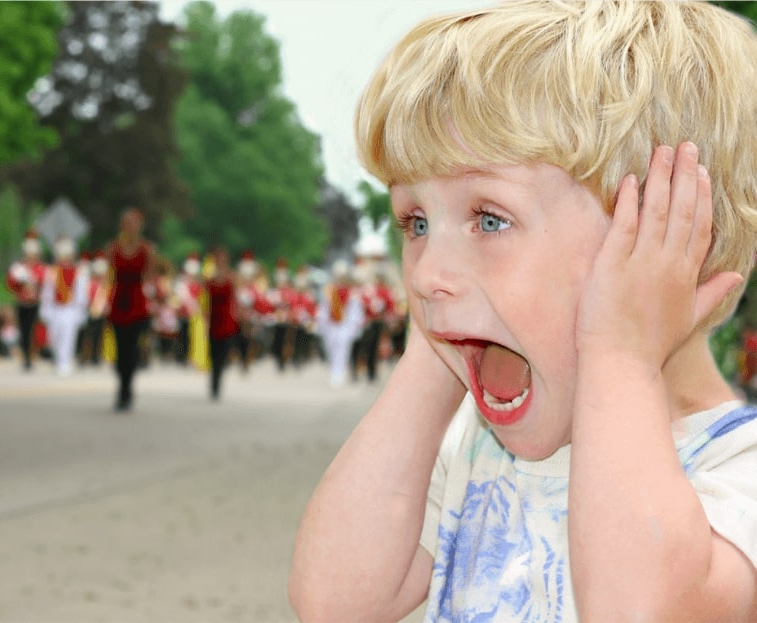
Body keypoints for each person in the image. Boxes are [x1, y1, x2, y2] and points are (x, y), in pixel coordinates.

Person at [289, 3, 757, 622]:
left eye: (489, 219)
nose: (427, 275)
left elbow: (638, 610)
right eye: (416, 223)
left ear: (669, 243)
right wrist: (433, 357)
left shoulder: (738, 470)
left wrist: (620, 356)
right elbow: (335, 602)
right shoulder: (474, 449)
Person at [106, 208, 154, 412]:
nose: (130, 227)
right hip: (119, 300)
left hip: (137, 301)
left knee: (132, 348)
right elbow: (108, 277)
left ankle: (127, 389)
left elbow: (149, 277)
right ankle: (121, 382)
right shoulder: (113, 248)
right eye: (127, 223)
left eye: (133, 223)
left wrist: (153, 302)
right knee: (120, 348)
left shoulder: (146, 249)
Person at [39, 236, 89, 377]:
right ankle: (58, 359)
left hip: (70, 309)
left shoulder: (79, 272)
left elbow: (81, 294)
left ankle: (65, 362)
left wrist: (80, 311)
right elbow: (47, 292)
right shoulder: (53, 271)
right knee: (54, 336)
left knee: (68, 337)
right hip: (55, 309)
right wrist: (45, 309)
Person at [316, 259, 364, 388]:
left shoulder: (352, 292)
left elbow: (356, 311)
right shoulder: (329, 291)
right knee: (331, 348)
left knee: (343, 349)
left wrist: (354, 325)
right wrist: (321, 322)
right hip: (331, 325)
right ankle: (333, 370)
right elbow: (324, 309)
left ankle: (340, 372)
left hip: (345, 325)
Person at [5, 230, 47, 371]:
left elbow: (44, 283)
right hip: (22, 303)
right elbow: (10, 284)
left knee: (32, 331)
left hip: (35, 304)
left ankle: (31, 356)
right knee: (23, 331)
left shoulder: (41, 268)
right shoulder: (19, 268)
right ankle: (25, 357)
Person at [204, 246, 240, 400]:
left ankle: (218, 381)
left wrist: (237, 317)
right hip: (214, 319)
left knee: (223, 353)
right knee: (213, 354)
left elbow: (235, 300)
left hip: (227, 320)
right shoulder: (209, 280)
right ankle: (214, 382)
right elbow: (205, 302)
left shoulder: (232, 278)